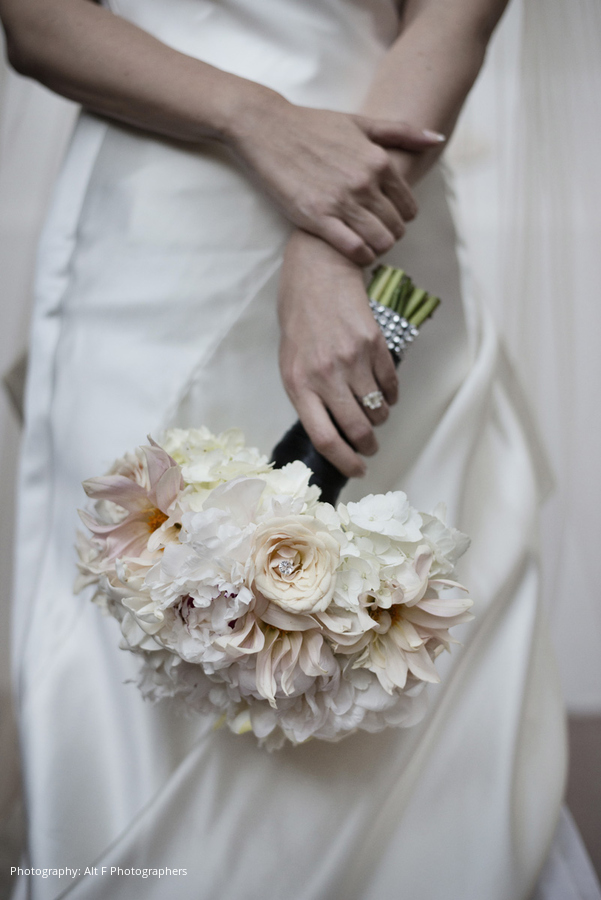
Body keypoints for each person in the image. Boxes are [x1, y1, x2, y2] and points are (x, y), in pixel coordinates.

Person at [1, 0, 566, 898]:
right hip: (159, 219)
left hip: (383, 178)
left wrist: (333, 241)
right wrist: (256, 119)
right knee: (130, 606)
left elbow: (452, 17)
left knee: (409, 603)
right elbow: (37, 25)